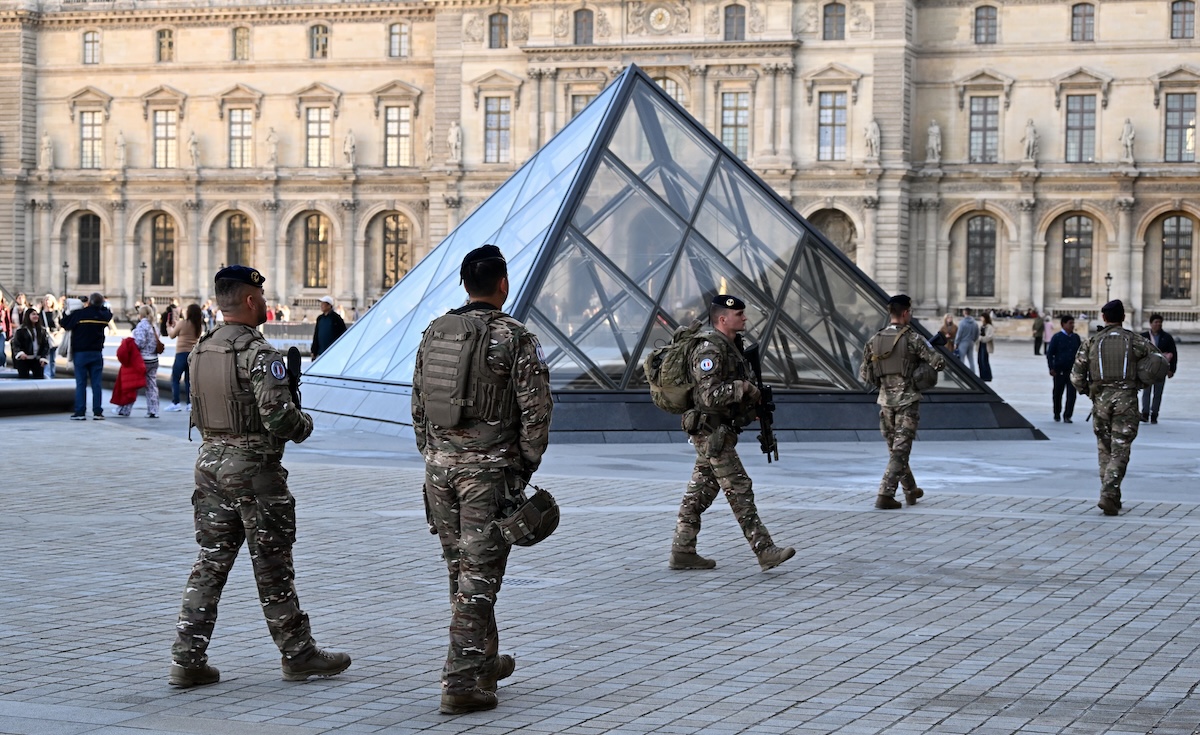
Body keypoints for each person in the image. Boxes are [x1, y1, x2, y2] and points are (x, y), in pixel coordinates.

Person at [170, 265, 350, 688]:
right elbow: (279, 418)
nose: (266, 304)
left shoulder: (201, 349)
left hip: (209, 465)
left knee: (210, 564)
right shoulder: (261, 355)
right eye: (262, 296)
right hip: (253, 471)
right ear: (251, 300)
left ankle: (187, 657)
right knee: (272, 566)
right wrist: (303, 423)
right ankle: (298, 654)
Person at [411, 245, 553, 715]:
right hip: (486, 475)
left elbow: (417, 404)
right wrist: (522, 467)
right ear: (503, 284)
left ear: (465, 285)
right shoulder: (515, 337)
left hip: (439, 471)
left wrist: (435, 455)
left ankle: (485, 660)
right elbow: (536, 412)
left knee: (462, 569)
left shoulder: (435, 331)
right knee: (479, 577)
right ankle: (460, 683)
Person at [670, 294, 795, 572]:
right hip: (711, 431)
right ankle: (765, 550)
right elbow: (710, 396)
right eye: (739, 314)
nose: (745, 318)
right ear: (723, 319)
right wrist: (744, 389)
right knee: (740, 489)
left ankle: (682, 550)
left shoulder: (732, 347)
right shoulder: (709, 351)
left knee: (700, 492)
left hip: (719, 431)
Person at [1070, 300, 1159, 516]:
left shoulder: (1091, 342)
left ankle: (1111, 495)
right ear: (1123, 318)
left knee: (1104, 449)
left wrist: (1088, 391)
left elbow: (1076, 376)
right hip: (1126, 400)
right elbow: (1157, 360)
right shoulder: (1134, 340)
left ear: (1104, 318)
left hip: (1100, 401)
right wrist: (1141, 382)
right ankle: (1109, 494)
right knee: (1120, 449)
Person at [859, 294, 947, 509]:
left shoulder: (875, 340)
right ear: (906, 312)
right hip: (907, 402)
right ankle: (885, 494)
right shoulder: (913, 339)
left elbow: (864, 373)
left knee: (896, 449)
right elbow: (939, 363)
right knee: (900, 451)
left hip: (885, 402)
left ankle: (910, 490)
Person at [60, 291, 112, 420]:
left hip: (81, 353)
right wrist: (98, 305)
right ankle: (97, 411)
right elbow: (108, 313)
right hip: (96, 352)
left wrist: (73, 307)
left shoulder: (79, 314)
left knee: (81, 383)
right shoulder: (102, 315)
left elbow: (64, 323)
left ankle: (80, 411)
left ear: (89, 302)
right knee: (96, 384)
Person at [1140, 313, 1178, 424]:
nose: (1158, 324)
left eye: (1160, 322)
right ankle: (1145, 413)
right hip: (1147, 370)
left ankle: (1154, 414)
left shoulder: (1167, 337)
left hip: (1161, 369)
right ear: (1151, 324)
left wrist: (1172, 369)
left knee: (1158, 393)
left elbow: (1174, 353)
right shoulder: (1143, 337)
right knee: (1146, 392)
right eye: (1156, 322)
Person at [165, 304, 203, 412]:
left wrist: (169, 327)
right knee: (188, 380)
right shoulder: (198, 325)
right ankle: (189, 403)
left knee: (175, 378)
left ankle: (175, 402)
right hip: (193, 354)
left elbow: (172, 335)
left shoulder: (183, 323)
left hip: (181, 353)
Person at [1046, 315, 1081, 423]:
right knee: (1057, 393)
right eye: (1070, 323)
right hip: (1059, 370)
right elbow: (1050, 353)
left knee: (1071, 395)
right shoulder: (1057, 337)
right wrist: (1051, 367)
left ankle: (1068, 415)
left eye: (1073, 323)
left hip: (1072, 371)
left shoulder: (1076, 338)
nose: (1072, 325)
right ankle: (1057, 413)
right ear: (1063, 324)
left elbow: (1081, 354)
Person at [132, 305, 162, 418]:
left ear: (141, 314)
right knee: (152, 385)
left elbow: (139, 342)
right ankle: (154, 410)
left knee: (132, 384)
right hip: (154, 359)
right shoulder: (154, 325)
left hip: (142, 360)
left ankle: (124, 408)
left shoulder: (142, 325)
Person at [111, 334, 146, 417]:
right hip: (139, 364)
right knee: (131, 391)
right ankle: (126, 409)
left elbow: (121, 353)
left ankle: (122, 409)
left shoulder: (128, 344)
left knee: (125, 390)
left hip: (128, 368)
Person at [11, 308, 50, 379]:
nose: (36, 316)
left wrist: (44, 357)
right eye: (33, 314)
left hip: (37, 360)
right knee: (23, 379)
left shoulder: (42, 330)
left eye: (37, 314)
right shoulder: (21, 330)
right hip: (24, 360)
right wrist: (20, 353)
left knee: (39, 379)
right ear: (28, 316)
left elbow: (46, 345)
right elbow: (16, 344)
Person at [40, 294, 63, 378]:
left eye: (49, 300)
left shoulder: (57, 312)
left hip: (54, 337)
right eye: (46, 300)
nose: (47, 302)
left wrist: (58, 332)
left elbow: (62, 325)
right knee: (46, 356)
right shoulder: (41, 313)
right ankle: (46, 374)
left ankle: (51, 375)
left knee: (52, 358)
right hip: (44, 337)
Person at [956, 308, 980, 374]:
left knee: (961, 359)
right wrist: (973, 340)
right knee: (971, 359)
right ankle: (973, 373)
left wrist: (956, 343)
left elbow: (959, 334)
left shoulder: (962, 323)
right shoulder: (975, 323)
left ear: (964, 312)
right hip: (971, 342)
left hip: (963, 342)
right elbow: (977, 334)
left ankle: (961, 373)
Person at [978, 312, 995, 382]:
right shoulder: (982, 326)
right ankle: (982, 375)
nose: (980, 318)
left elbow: (989, 337)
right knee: (979, 361)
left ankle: (987, 376)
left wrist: (981, 338)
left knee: (984, 360)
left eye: (982, 317)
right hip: (980, 345)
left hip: (986, 345)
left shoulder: (989, 327)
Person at [0, 295, 11, 369]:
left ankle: (2, 365)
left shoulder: (4, 308)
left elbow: (7, 321)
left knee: (0, 351)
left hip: (1, 331)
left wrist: (9, 334)